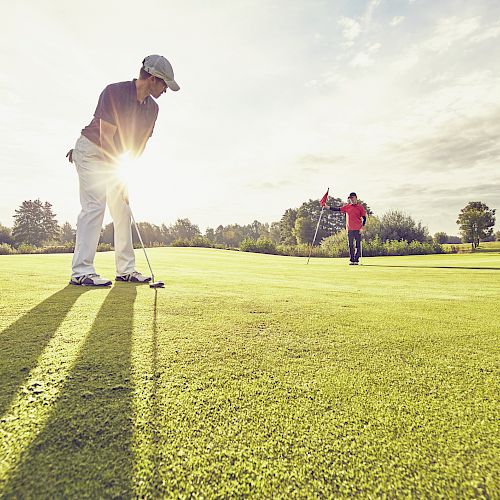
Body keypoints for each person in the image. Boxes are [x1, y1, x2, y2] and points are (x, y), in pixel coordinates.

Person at [66, 55, 179, 286]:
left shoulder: (152, 109)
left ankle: (126, 270)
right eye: (164, 83)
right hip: (92, 152)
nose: (166, 89)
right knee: (95, 205)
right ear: (152, 78)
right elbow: (106, 137)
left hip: (114, 158)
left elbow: (138, 147)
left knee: (123, 210)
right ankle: (81, 271)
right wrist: (116, 173)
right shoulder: (114, 92)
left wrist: (125, 176)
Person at [325, 192, 366, 265]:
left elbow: (364, 218)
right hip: (349, 229)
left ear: (356, 198)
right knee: (350, 245)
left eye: (352, 198)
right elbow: (337, 209)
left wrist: (362, 227)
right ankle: (352, 260)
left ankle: (356, 260)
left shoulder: (360, 207)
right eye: (350, 199)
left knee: (358, 245)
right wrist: (328, 207)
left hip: (358, 229)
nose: (351, 200)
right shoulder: (347, 207)